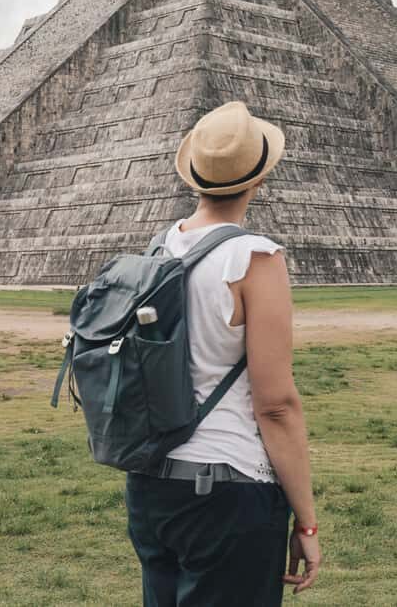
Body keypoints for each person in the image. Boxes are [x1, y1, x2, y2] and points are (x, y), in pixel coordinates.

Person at [125, 100, 321, 606]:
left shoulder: (157, 251)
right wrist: (307, 521)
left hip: (151, 486)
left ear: (194, 177)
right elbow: (275, 404)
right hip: (227, 492)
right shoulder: (255, 258)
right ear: (258, 180)